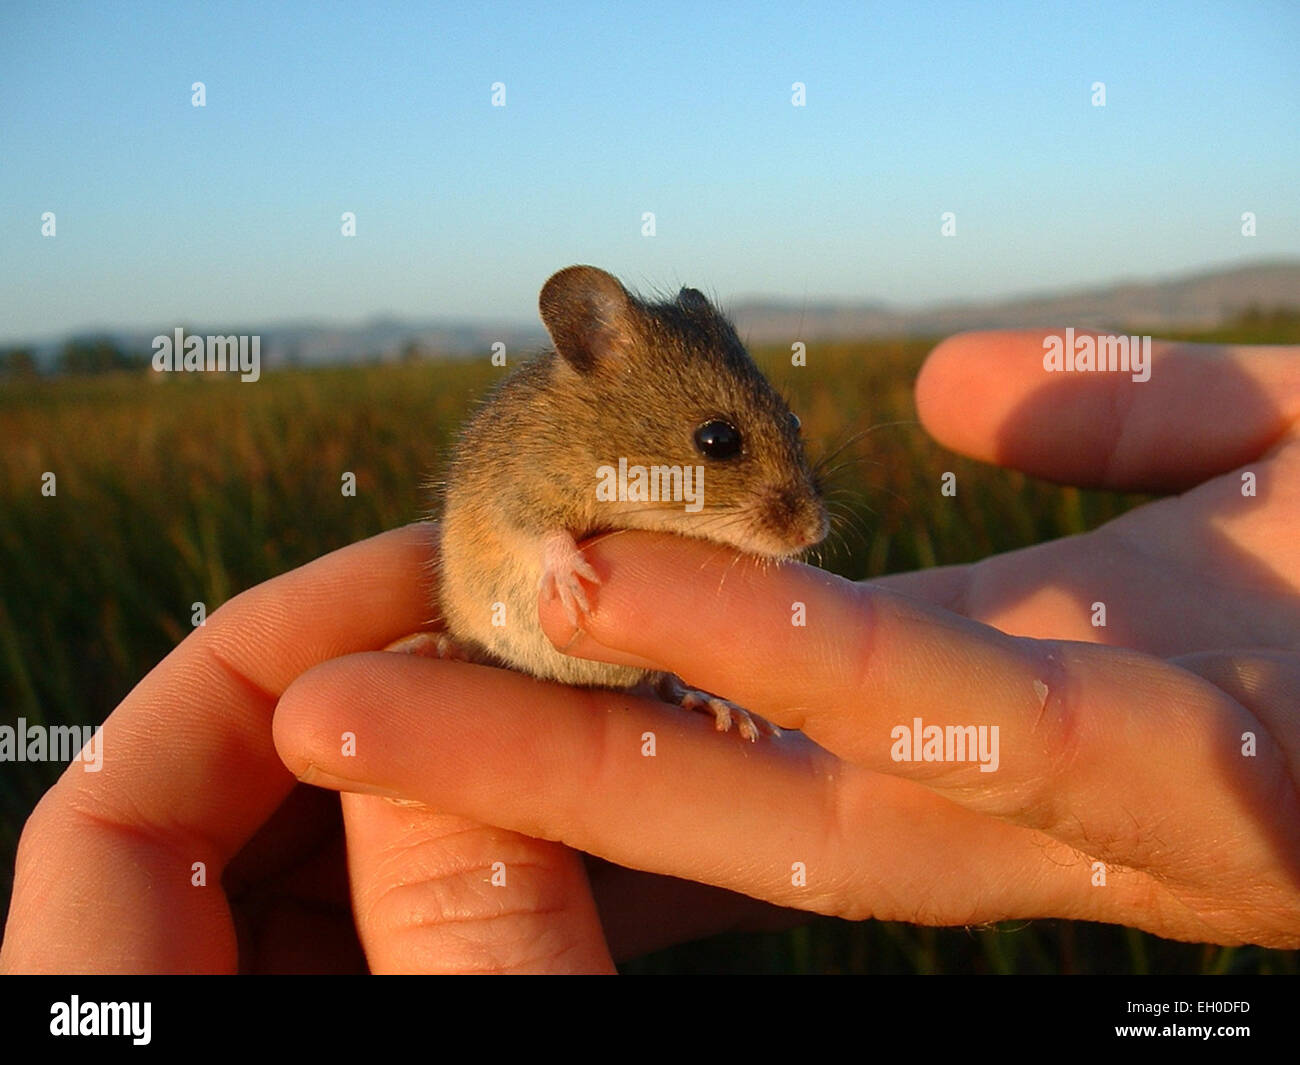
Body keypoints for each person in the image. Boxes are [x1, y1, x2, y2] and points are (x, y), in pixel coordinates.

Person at [3, 331, 1298, 973]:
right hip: (498, 620)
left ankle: (679, 684)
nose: (791, 505)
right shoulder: (544, 443)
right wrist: (553, 555)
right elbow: (503, 502)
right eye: (729, 450)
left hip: (617, 675)